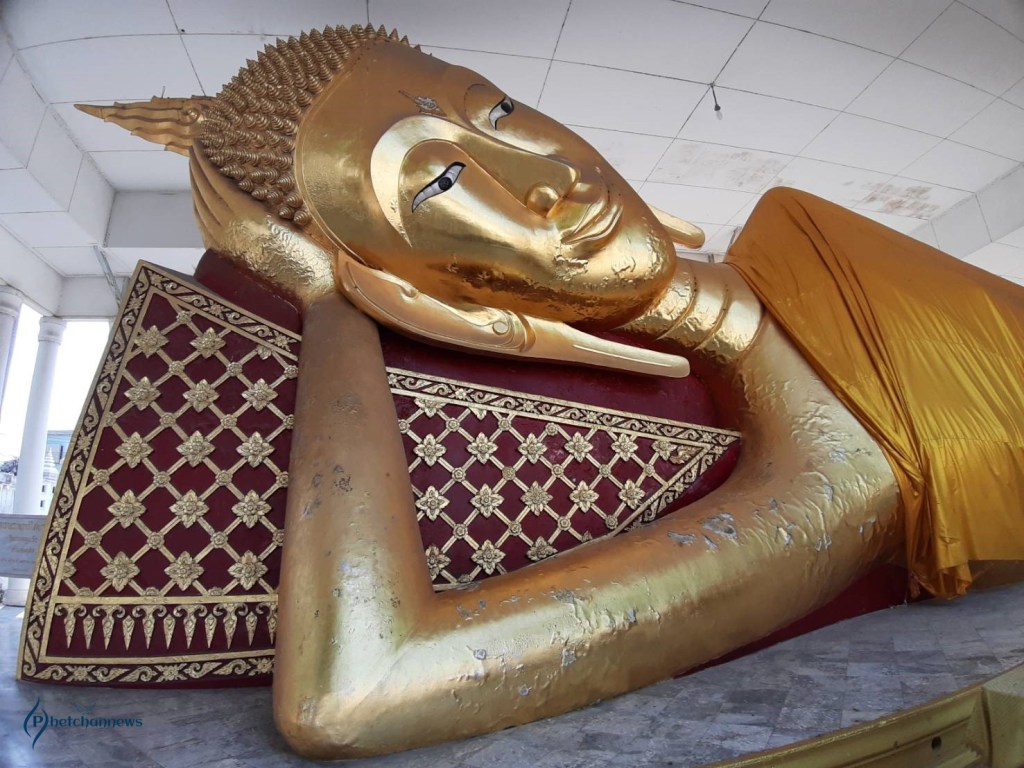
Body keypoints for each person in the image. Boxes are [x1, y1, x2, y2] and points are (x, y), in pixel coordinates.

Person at [80, 24, 1023, 758]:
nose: (544, 177)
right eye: (442, 181)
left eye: (494, 112)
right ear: (417, 296)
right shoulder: (841, 481)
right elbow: (355, 692)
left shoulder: (795, 235)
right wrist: (331, 306)